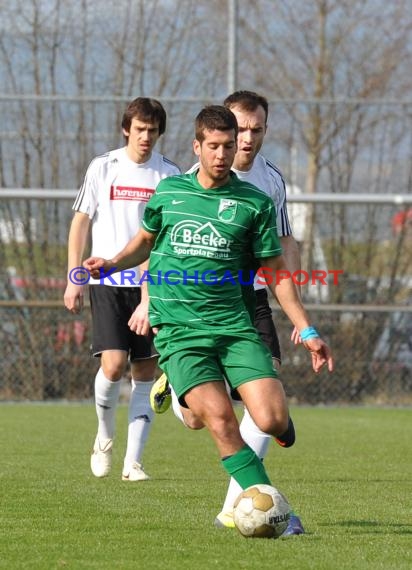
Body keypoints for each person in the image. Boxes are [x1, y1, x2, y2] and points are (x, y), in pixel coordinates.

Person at [83, 106, 333, 520]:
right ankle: (275, 512)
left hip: (234, 326)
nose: (222, 154)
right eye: (213, 146)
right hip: (180, 330)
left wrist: (307, 329)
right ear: (197, 146)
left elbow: (275, 272)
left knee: (270, 419)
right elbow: (146, 241)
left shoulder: (254, 202)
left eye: (228, 146)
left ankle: (193, 402)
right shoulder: (170, 193)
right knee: (218, 420)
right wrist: (110, 264)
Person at [152, 91, 304, 534]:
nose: (246, 140)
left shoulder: (271, 181)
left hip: (250, 299)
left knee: (267, 410)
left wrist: (295, 303)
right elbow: (161, 249)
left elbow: (284, 240)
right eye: (240, 130)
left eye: (256, 130)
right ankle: (182, 394)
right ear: (212, 138)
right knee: (206, 417)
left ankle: (240, 505)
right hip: (193, 307)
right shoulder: (186, 183)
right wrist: (148, 301)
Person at [63, 97, 180, 481]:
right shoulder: (104, 166)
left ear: (160, 132)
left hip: (151, 286)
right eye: (140, 129)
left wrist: (152, 292)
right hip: (108, 281)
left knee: (144, 373)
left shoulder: (168, 175)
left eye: (153, 130)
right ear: (126, 129)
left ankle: (134, 462)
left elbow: (164, 238)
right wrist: (73, 276)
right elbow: (81, 223)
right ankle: (104, 437)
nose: (146, 137)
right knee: (113, 366)